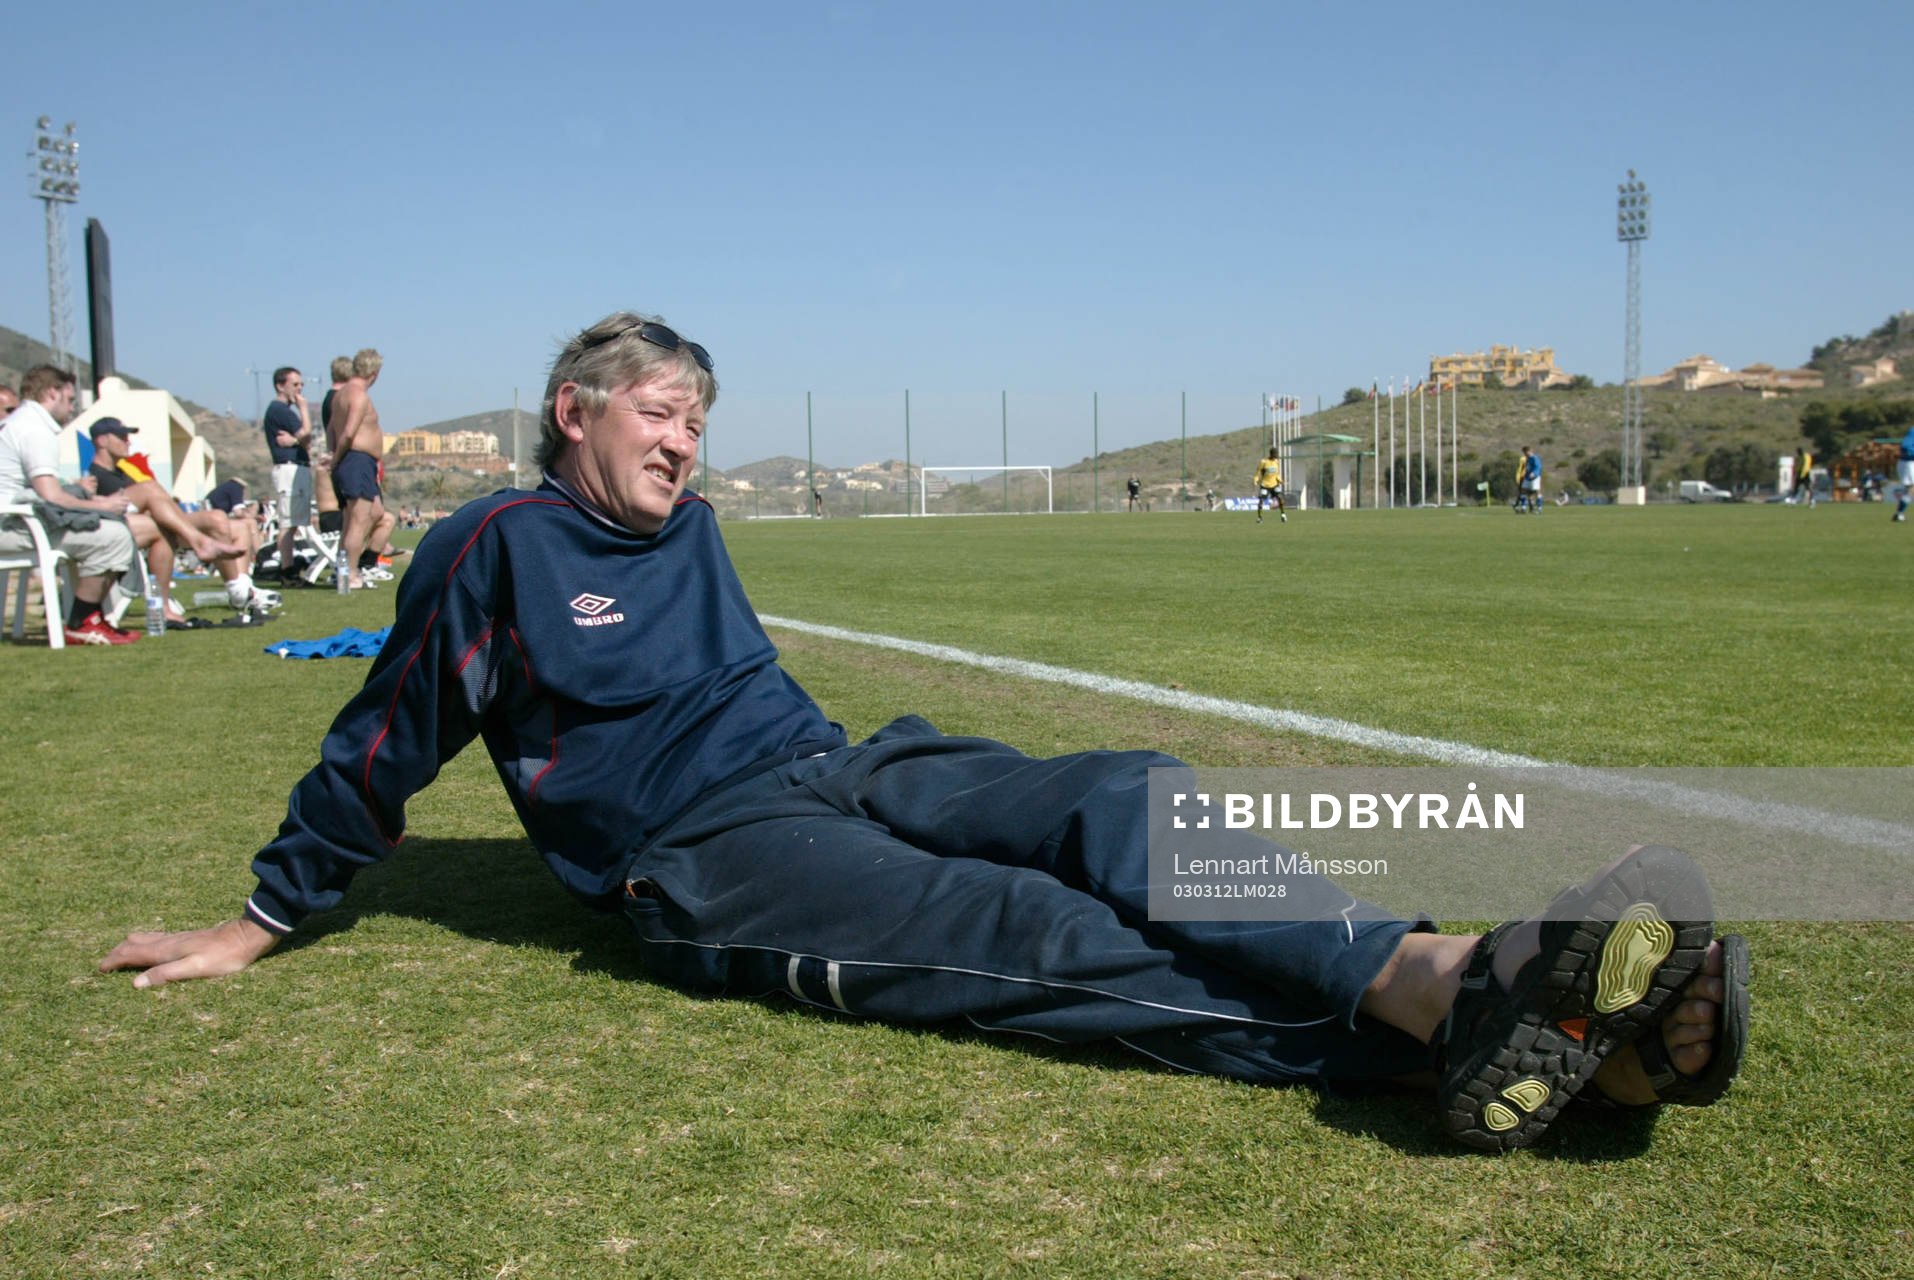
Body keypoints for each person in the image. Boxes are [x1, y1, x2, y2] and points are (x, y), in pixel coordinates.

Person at [98, 312, 1746, 1152]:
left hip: (833, 759)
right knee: (1027, 932)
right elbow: (380, 745)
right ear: (571, 410)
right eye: (656, 413)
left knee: (1124, 799)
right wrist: (259, 922)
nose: (681, 443)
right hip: (702, 855)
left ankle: (1449, 981)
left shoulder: (683, 528)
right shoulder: (492, 551)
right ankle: (1505, 1029)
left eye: (695, 420)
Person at [0, 365, 141, 645]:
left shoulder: (20, 423)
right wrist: (102, 507)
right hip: (12, 527)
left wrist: (96, 502)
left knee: (102, 531)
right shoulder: (34, 430)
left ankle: (88, 619)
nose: (72, 408)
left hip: (13, 521)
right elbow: (51, 495)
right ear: (52, 393)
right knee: (113, 536)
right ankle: (83, 621)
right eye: (70, 399)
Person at [85, 418, 277, 619]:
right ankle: (235, 587)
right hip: (134, 530)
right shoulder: (94, 477)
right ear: (102, 440)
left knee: (237, 525)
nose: (128, 442)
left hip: (161, 524)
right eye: (122, 437)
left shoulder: (124, 472)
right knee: (213, 519)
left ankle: (242, 588)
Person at [327, 348, 386, 589]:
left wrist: (334, 456)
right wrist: (337, 458)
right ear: (374, 372)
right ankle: (350, 574)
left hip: (354, 461)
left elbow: (332, 429)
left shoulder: (339, 395)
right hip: (357, 460)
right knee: (358, 520)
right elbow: (348, 432)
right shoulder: (358, 396)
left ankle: (343, 571)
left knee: (361, 517)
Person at [1253, 447, 1286, 524]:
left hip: (1274, 485)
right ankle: (1260, 517)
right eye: (1274, 455)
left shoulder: (1276, 462)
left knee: (1280, 498)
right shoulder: (1263, 462)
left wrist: (1281, 480)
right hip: (1265, 485)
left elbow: (1277, 474)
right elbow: (1257, 472)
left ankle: (1283, 515)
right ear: (1271, 454)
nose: (1275, 457)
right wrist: (1255, 480)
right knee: (1261, 501)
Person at [1894, 425, 1913, 524]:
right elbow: (1905, 446)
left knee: (1909, 490)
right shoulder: (1913, 432)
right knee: (1911, 489)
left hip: (1908, 463)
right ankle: (1899, 513)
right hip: (1909, 463)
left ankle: (1898, 513)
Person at [1517, 446, 1542, 514]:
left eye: (1525, 452)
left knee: (1537, 492)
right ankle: (1523, 508)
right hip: (1527, 477)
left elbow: (1538, 467)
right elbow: (1527, 468)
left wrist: (1534, 473)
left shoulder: (1535, 458)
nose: (1524, 454)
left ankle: (1539, 508)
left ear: (1529, 451)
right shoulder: (1528, 459)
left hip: (1535, 478)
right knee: (1523, 491)